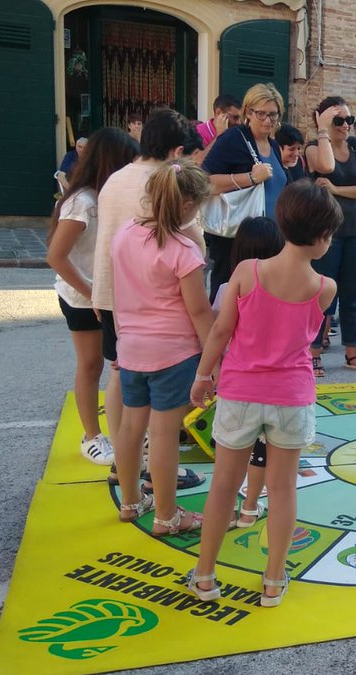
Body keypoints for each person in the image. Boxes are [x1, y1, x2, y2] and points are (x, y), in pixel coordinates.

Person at [186, 180, 341, 607]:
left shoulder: (247, 272)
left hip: (240, 393)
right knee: (284, 488)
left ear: (282, 221)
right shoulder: (324, 288)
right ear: (324, 236)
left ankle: (204, 576)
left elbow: (221, 330)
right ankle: (273, 580)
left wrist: (203, 376)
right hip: (292, 397)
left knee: (223, 485)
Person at [94, 107, 206, 491]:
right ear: (176, 151)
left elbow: (107, 240)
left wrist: (101, 293)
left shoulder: (114, 182)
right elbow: (197, 301)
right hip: (168, 333)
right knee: (162, 429)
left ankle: (126, 489)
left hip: (123, 307)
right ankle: (165, 503)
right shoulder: (179, 235)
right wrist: (214, 356)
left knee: (126, 401)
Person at [110, 159, 214, 533]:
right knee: (165, 434)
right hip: (174, 353)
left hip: (132, 348)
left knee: (131, 428)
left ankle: (131, 501)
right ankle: (168, 516)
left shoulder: (123, 235)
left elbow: (120, 292)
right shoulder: (184, 251)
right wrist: (213, 361)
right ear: (188, 207)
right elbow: (199, 312)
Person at [47, 127, 138, 465]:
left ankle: (125, 432)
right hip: (82, 296)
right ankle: (91, 436)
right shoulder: (83, 202)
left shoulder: (109, 197)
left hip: (107, 296)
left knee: (118, 364)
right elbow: (57, 256)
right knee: (91, 364)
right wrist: (92, 294)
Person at [208, 216, 285, 528]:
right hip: (276, 387)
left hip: (237, 382)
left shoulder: (230, 286)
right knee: (261, 451)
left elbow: (217, 330)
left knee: (230, 455)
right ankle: (250, 508)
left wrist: (207, 372)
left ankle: (226, 512)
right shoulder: (291, 288)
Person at [305, 96, 356, 375]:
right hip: (327, 233)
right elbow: (325, 168)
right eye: (339, 120)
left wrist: (336, 190)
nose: (346, 125)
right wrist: (322, 130)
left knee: (352, 295)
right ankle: (312, 353)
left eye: (349, 120)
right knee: (322, 295)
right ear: (322, 119)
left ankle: (352, 352)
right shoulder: (314, 148)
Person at [202, 83, 290, 301]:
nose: (268, 120)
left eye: (273, 114)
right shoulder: (233, 139)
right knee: (229, 297)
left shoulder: (273, 145)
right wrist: (249, 178)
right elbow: (204, 182)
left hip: (271, 239)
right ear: (248, 113)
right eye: (261, 114)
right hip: (236, 238)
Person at [195, 93, 242, 160]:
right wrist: (219, 136)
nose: (239, 122)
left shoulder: (237, 133)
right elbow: (197, 163)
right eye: (235, 117)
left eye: (240, 118)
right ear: (218, 113)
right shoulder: (198, 132)